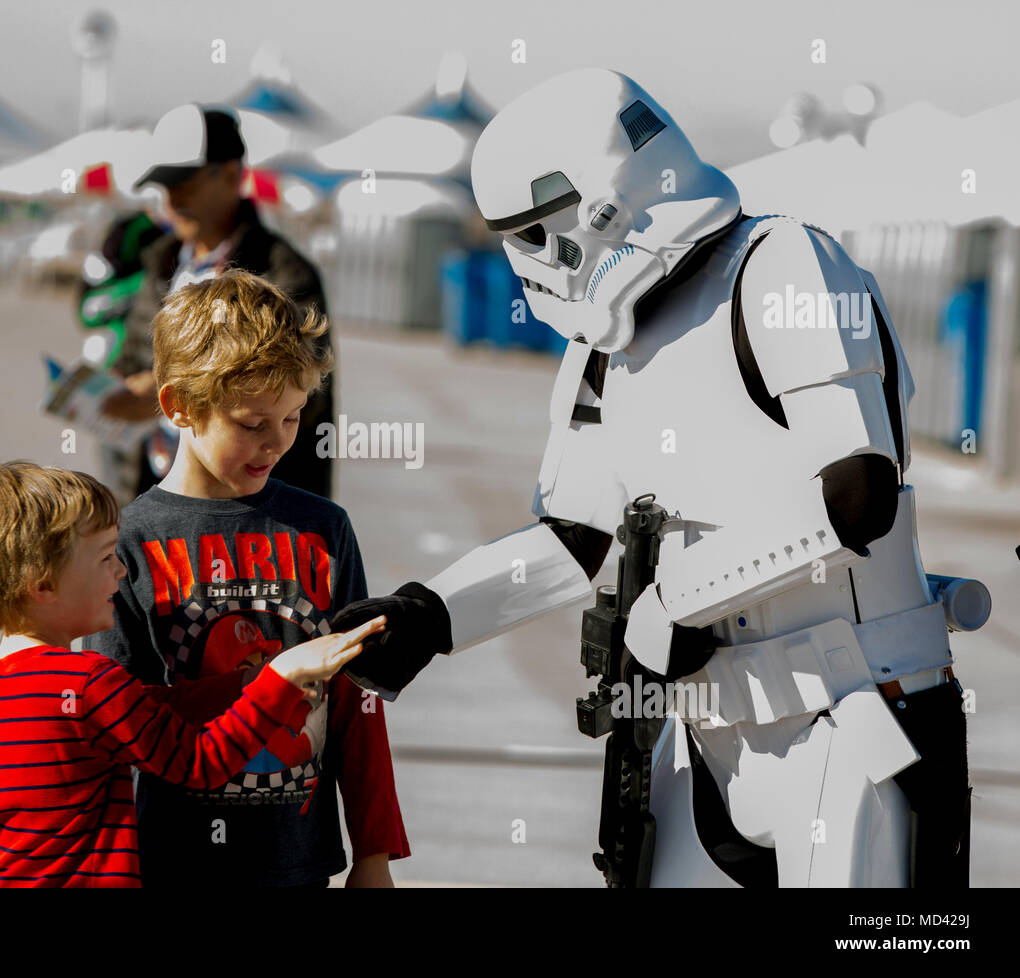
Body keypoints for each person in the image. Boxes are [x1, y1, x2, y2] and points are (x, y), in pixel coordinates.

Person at [332, 68, 981, 887]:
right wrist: (428, 616)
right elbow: (572, 538)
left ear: (605, 200)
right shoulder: (604, 343)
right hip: (699, 735)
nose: (526, 263)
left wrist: (679, 600)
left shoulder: (784, 263)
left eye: (536, 232)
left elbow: (856, 492)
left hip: (848, 719)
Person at [85, 268, 408, 887]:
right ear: (178, 404)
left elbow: (359, 698)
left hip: (298, 865)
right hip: (169, 864)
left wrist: (374, 853)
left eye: (291, 419)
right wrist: (264, 684)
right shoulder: (128, 541)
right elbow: (117, 725)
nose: (276, 443)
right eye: (252, 424)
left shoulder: (324, 529)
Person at [0, 459, 383, 887]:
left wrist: (239, 684)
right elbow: (200, 762)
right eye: (105, 558)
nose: (121, 570)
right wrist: (279, 679)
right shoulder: (89, 684)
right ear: (43, 585)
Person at [99, 104, 335, 504]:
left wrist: (161, 397)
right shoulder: (163, 261)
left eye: (183, 182)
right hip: (155, 493)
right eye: (165, 186)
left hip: (249, 512)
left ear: (230, 174)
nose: (172, 199)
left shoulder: (284, 272)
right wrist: (111, 390)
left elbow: (303, 394)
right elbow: (133, 359)